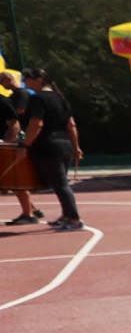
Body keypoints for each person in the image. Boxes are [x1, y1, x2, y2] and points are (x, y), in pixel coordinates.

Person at [19, 68, 82, 232]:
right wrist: (76, 147)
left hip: (48, 146)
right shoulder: (60, 97)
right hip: (65, 144)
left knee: (60, 184)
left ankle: (74, 218)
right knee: (59, 183)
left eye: (27, 79)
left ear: (39, 79)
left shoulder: (38, 99)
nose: (25, 82)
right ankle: (67, 215)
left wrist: (25, 144)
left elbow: (36, 123)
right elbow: (71, 125)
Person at [0, 70, 42, 225]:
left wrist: (7, 141)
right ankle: (32, 210)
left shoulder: (13, 97)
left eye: (3, 80)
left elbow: (16, 122)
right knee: (11, 181)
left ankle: (29, 213)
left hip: (11, 142)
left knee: (15, 180)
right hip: (10, 141)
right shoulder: (10, 98)